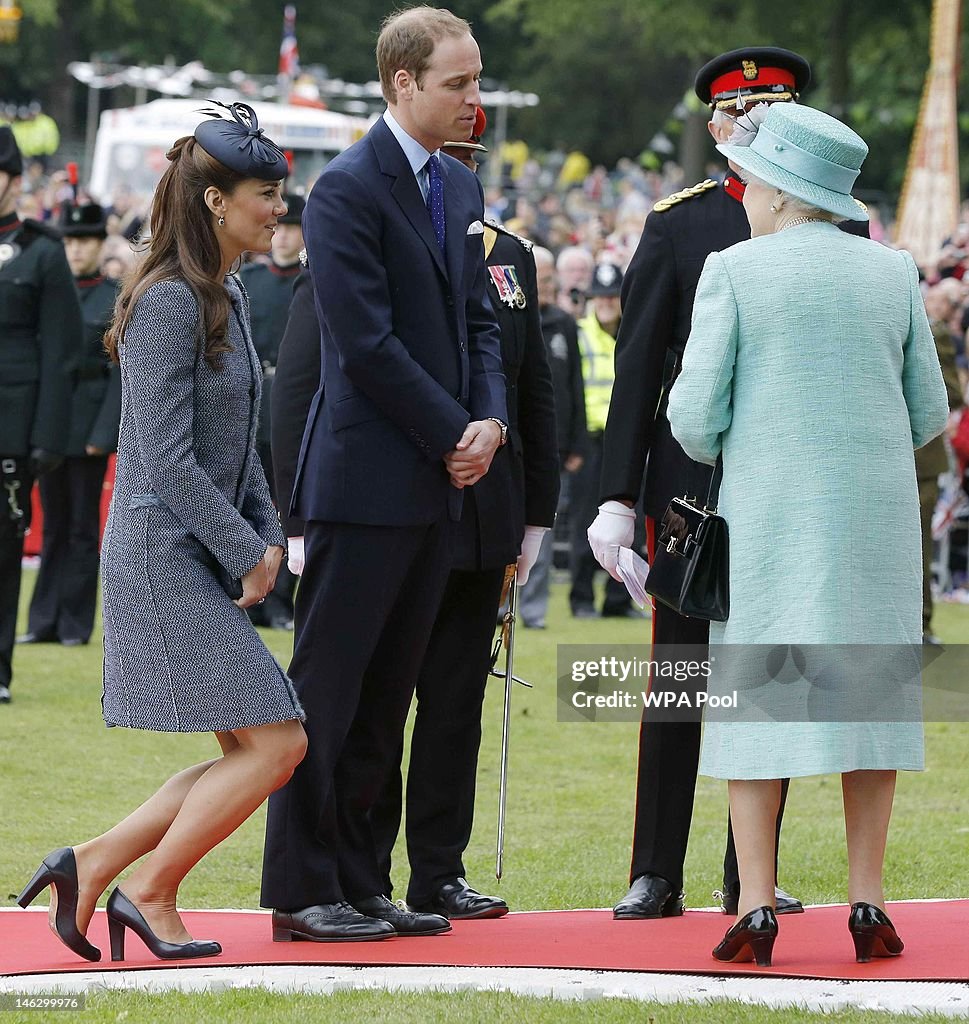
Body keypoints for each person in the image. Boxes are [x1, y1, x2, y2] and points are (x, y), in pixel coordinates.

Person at [16, 103, 307, 963]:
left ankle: (93, 861)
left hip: (194, 550)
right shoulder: (170, 300)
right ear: (216, 201)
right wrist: (243, 548)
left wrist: (266, 534)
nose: (278, 207)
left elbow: (240, 442)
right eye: (266, 193)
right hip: (156, 553)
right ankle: (148, 890)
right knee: (278, 742)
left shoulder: (227, 292)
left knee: (249, 745)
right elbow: (167, 460)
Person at [668, 101, 948, 966]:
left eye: (752, 182)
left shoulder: (735, 271)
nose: (742, 195)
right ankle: (867, 901)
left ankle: (755, 904)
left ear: (783, 194)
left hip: (770, 522)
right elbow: (928, 412)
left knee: (757, 707)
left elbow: (691, 417)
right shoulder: (892, 272)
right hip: (873, 524)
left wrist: (747, 440)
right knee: (868, 701)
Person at [260, 6, 507, 942]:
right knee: (327, 693)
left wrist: (483, 421)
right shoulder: (344, 191)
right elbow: (361, 344)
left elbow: (478, 324)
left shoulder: (456, 187)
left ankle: (362, 880)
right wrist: (455, 428)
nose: (473, 99)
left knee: (387, 697)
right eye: (457, 82)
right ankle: (301, 887)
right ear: (401, 83)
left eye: (476, 78)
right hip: (362, 484)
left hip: (435, 483)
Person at [589, 48, 821, 921]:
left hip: (787, 475)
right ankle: (655, 867)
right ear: (718, 127)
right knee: (681, 672)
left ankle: (746, 873)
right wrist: (617, 497)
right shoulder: (679, 225)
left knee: (769, 674)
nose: (755, 127)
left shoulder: (832, 224)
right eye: (742, 114)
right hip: (693, 484)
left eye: (774, 110)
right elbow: (638, 367)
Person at [369, 112, 559, 919]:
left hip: (485, 515)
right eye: (445, 157)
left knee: (455, 703)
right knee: (379, 702)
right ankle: (364, 873)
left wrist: (536, 515)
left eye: (466, 160)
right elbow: (320, 371)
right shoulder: (376, 227)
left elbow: (532, 392)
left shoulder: (509, 258)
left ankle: (438, 870)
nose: (455, 172)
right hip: (400, 504)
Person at [0, 125, 79, 705]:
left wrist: (46, 438)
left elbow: (62, 353)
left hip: (12, 423)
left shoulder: (43, 251)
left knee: (4, 547)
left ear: (14, 181)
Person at [21, 202, 121, 648]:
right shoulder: (51, 289)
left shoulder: (117, 295)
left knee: (82, 527)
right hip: (53, 422)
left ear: (101, 245)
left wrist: (105, 433)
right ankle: (43, 619)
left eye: (85, 241)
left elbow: (122, 373)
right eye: (71, 241)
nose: (77, 250)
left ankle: (74, 623)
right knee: (53, 525)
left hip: (89, 422)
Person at [239, 193, 306, 630]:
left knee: (287, 509)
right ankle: (246, 589)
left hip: (292, 403)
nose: (282, 238)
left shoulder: (311, 280)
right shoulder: (246, 280)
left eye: (292, 228)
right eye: (278, 227)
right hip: (253, 403)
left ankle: (281, 598)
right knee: (248, 504)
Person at [518, 245, 587, 629]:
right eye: (540, 278)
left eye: (549, 279)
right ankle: (498, 604)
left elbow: (574, 385)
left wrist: (576, 442)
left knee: (541, 531)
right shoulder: (508, 317)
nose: (546, 285)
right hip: (511, 443)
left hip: (554, 448)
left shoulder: (564, 324)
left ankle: (533, 610)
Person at [570, 261, 640, 619]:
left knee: (631, 522)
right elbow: (569, 391)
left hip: (625, 441)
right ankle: (581, 599)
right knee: (585, 521)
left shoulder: (635, 330)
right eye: (601, 296)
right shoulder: (579, 334)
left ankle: (618, 600)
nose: (607, 302)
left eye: (613, 296)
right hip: (591, 442)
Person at [919, 281, 965, 644]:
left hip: (921, 461)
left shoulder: (936, 336)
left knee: (918, 546)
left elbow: (950, 393)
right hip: (887, 454)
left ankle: (921, 624)